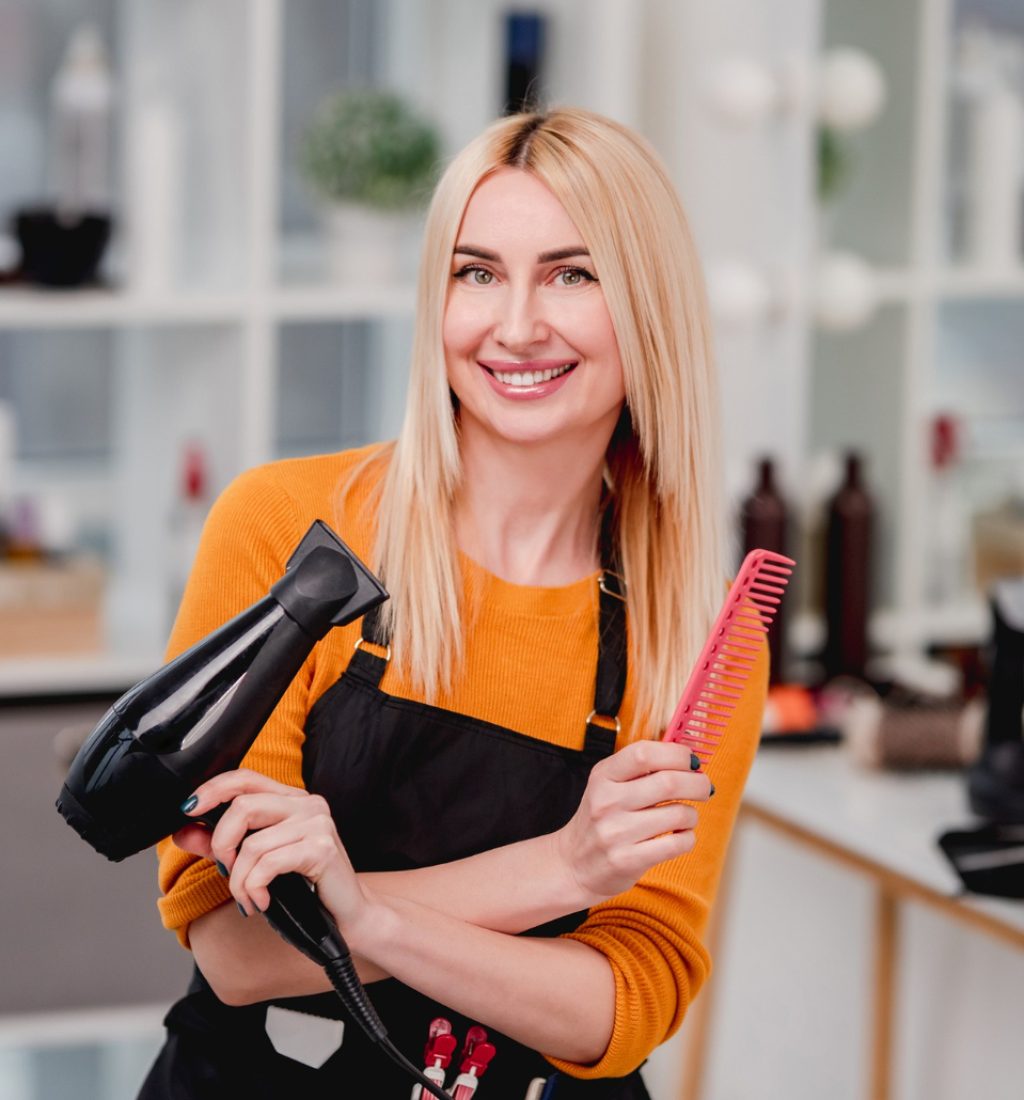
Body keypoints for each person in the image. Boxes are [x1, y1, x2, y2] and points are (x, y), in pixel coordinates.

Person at [138, 107, 768, 1100]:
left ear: (649, 306)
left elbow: (626, 1002)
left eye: (573, 272)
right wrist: (563, 868)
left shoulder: (691, 630)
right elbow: (235, 947)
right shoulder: (291, 533)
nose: (515, 325)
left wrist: (365, 916)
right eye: (475, 272)